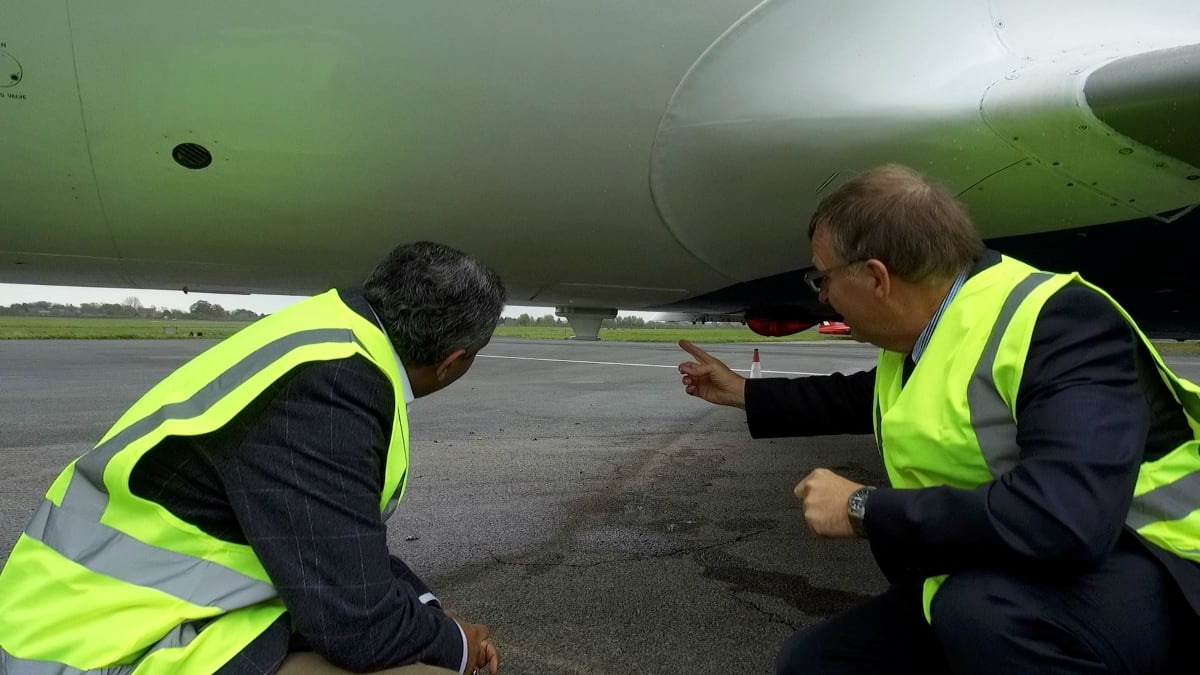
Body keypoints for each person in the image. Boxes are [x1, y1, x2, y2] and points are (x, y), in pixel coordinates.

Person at [677, 165, 1200, 674]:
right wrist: (745, 393)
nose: (823, 296)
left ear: (877, 277)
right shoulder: (923, 335)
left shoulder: (1060, 320)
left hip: (1150, 567)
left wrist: (863, 508)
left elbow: (1066, 517)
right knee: (815, 662)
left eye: (824, 277)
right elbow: (868, 397)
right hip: (1012, 564)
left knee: (980, 612)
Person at [0, 241, 506, 675]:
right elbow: (355, 623)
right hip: (92, 652)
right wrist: (455, 648)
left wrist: (431, 613)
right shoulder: (330, 390)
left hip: (98, 615)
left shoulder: (329, 339)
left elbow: (329, 541)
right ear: (452, 362)